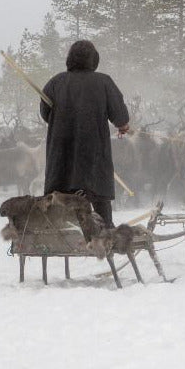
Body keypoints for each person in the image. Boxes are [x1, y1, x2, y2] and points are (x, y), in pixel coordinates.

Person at [40, 40, 130, 228]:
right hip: (93, 156)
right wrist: (122, 126)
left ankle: (57, 232)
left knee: (58, 199)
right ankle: (105, 233)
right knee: (99, 202)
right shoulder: (104, 82)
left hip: (62, 156)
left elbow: (45, 114)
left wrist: (64, 123)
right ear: (94, 60)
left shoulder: (55, 82)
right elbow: (120, 116)